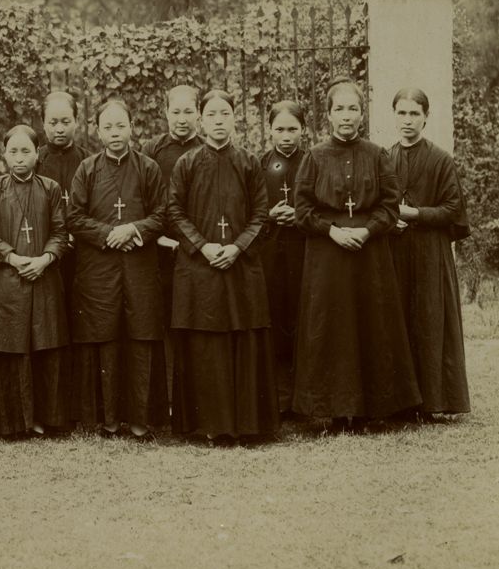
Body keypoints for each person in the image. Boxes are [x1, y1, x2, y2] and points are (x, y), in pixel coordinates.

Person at [292, 79, 421, 428]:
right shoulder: (314, 157)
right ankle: (334, 411)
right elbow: (302, 209)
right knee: (332, 329)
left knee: (371, 327)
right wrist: (333, 231)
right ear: (329, 115)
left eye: (352, 108)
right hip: (327, 257)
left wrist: (365, 231)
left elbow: (390, 204)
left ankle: (370, 410)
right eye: (339, 109)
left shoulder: (377, 155)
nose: (345, 116)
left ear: (361, 114)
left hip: (370, 257)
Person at [168, 90, 278, 443]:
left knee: (243, 338)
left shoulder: (248, 162)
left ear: (235, 118)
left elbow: (262, 213)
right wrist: (203, 246)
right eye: (211, 115)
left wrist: (236, 246)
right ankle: (210, 425)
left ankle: (247, 425)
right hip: (200, 268)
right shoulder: (187, 164)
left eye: (225, 114)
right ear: (201, 120)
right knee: (205, 342)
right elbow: (175, 212)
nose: (218, 121)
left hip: (240, 265)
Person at [67, 98, 168, 438]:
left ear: (131, 127)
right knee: (105, 337)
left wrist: (134, 230)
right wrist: (108, 233)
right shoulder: (87, 170)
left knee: (140, 337)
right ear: (97, 131)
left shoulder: (148, 168)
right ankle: (108, 420)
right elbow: (74, 217)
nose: (114, 133)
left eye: (120, 125)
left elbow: (162, 214)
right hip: (99, 268)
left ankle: (140, 421)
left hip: (139, 266)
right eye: (107, 127)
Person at [0, 124, 71, 437]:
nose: (20, 158)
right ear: (4, 156)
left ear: (36, 154)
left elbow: (60, 232)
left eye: (26, 151)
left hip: (43, 278)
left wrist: (44, 259)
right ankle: (14, 422)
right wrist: (14, 258)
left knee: (45, 346)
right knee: (11, 348)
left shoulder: (51, 188)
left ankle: (47, 418)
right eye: (13, 151)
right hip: (7, 281)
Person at [389, 87, 472, 418]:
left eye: (414, 113)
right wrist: (388, 221)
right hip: (395, 252)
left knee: (431, 320)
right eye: (402, 113)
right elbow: (377, 206)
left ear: (426, 117)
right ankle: (402, 402)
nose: (407, 120)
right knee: (399, 320)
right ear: (393, 115)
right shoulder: (385, 158)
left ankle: (435, 401)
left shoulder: (440, 159)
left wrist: (414, 214)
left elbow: (453, 210)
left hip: (430, 253)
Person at [142, 84, 203, 404]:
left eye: (188, 111)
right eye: (176, 112)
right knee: (159, 321)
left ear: (199, 114)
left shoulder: (206, 149)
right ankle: (162, 399)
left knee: (190, 322)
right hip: (157, 249)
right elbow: (142, 200)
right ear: (165, 113)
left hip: (195, 250)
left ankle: (188, 400)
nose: (182, 119)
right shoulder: (151, 151)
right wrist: (158, 237)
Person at [259, 100, 308, 414]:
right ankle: (277, 397)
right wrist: (268, 214)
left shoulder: (312, 161)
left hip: (304, 251)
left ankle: (303, 397)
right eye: (280, 129)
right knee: (274, 318)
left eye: (293, 129)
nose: (286, 136)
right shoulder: (260, 164)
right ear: (269, 131)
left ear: (304, 130)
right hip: (269, 253)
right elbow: (247, 210)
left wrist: (299, 215)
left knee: (303, 318)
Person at [37, 91, 90, 330]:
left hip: (83, 253)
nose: (59, 129)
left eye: (66, 122)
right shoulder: (34, 160)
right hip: (44, 251)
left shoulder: (89, 161)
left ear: (76, 122)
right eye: (53, 122)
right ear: (43, 124)